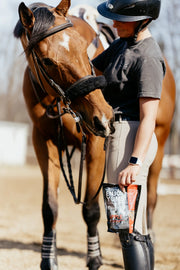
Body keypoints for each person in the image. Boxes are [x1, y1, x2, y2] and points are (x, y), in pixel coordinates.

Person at [92, 0, 165, 269]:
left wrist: (134, 162)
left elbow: (149, 117)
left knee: (126, 225)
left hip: (131, 137)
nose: (113, 23)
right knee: (134, 226)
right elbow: (93, 70)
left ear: (142, 20)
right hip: (119, 135)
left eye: (120, 18)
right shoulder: (121, 45)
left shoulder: (147, 57)